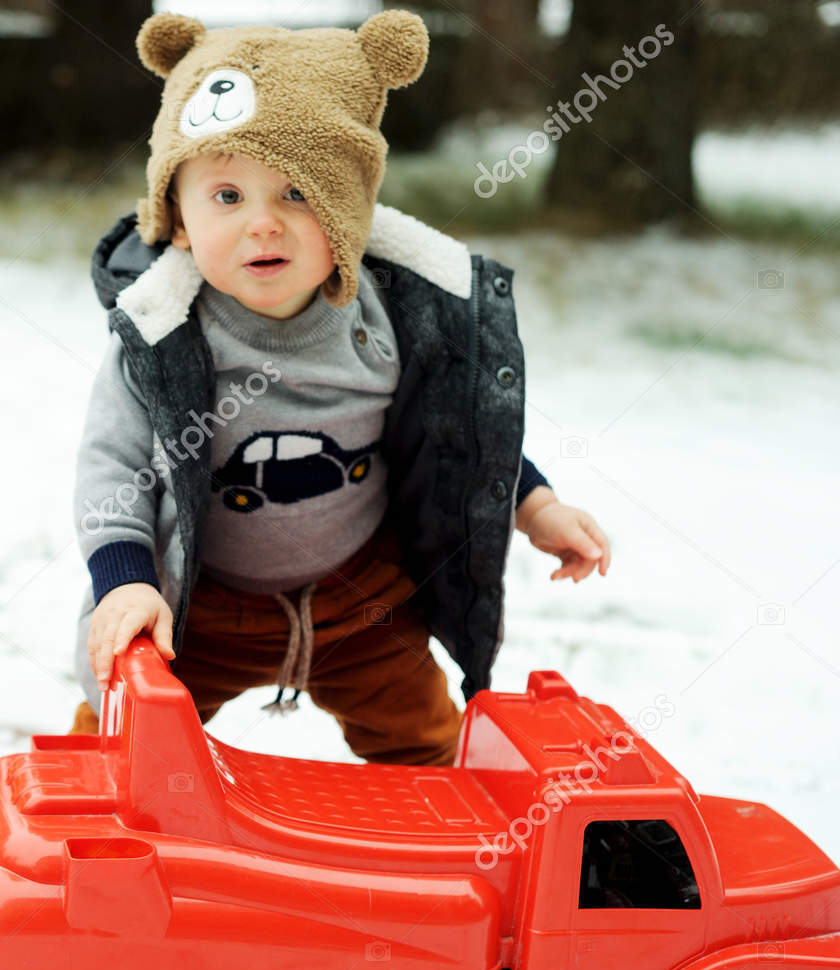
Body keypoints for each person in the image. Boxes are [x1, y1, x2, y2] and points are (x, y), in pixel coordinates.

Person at [71, 11, 611, 765]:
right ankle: (95, 829)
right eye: (227, 196)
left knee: (427, 743)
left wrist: (537, 503)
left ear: (350, 214)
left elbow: (453, 429)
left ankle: (434, 846)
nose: (264, 224)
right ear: (178, 220)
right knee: (119, 741)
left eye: (299, 193)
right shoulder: (161, 335)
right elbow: (112, 470)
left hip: (363, 602)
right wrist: (124, 582)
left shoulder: (391, 322)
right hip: (203, 608)